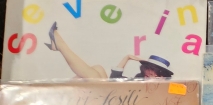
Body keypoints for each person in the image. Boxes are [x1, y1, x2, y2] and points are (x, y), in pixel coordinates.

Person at [44, 22, 172, 79]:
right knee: (98, 69)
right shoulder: (139, 81)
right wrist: (127, 58)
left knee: (93, 77)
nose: (149, 78)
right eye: (147, 75)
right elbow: (115, 80)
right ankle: (64, 92)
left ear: (163, 77)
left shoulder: (166, 89)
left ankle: (60, 45)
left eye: (154, 76)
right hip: (113, 101)